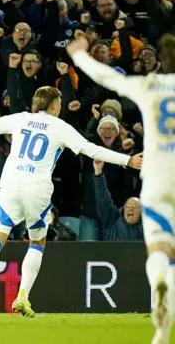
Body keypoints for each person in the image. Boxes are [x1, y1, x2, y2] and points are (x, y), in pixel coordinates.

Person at [0, 85, 143, 317]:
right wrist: (127, 160)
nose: (60, 109)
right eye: (59, 104)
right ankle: (22, 296)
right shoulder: (60, 127)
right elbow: (90, 149)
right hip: (37, 190)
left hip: (10, 185)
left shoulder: (21, 119)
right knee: (37, 242)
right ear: (52, 105)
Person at [68, 34, 175, 344]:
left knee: (157, 249)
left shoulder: (149, 87)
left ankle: (160, 323)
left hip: (154, 177)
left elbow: (108, 77)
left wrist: (80, 57)